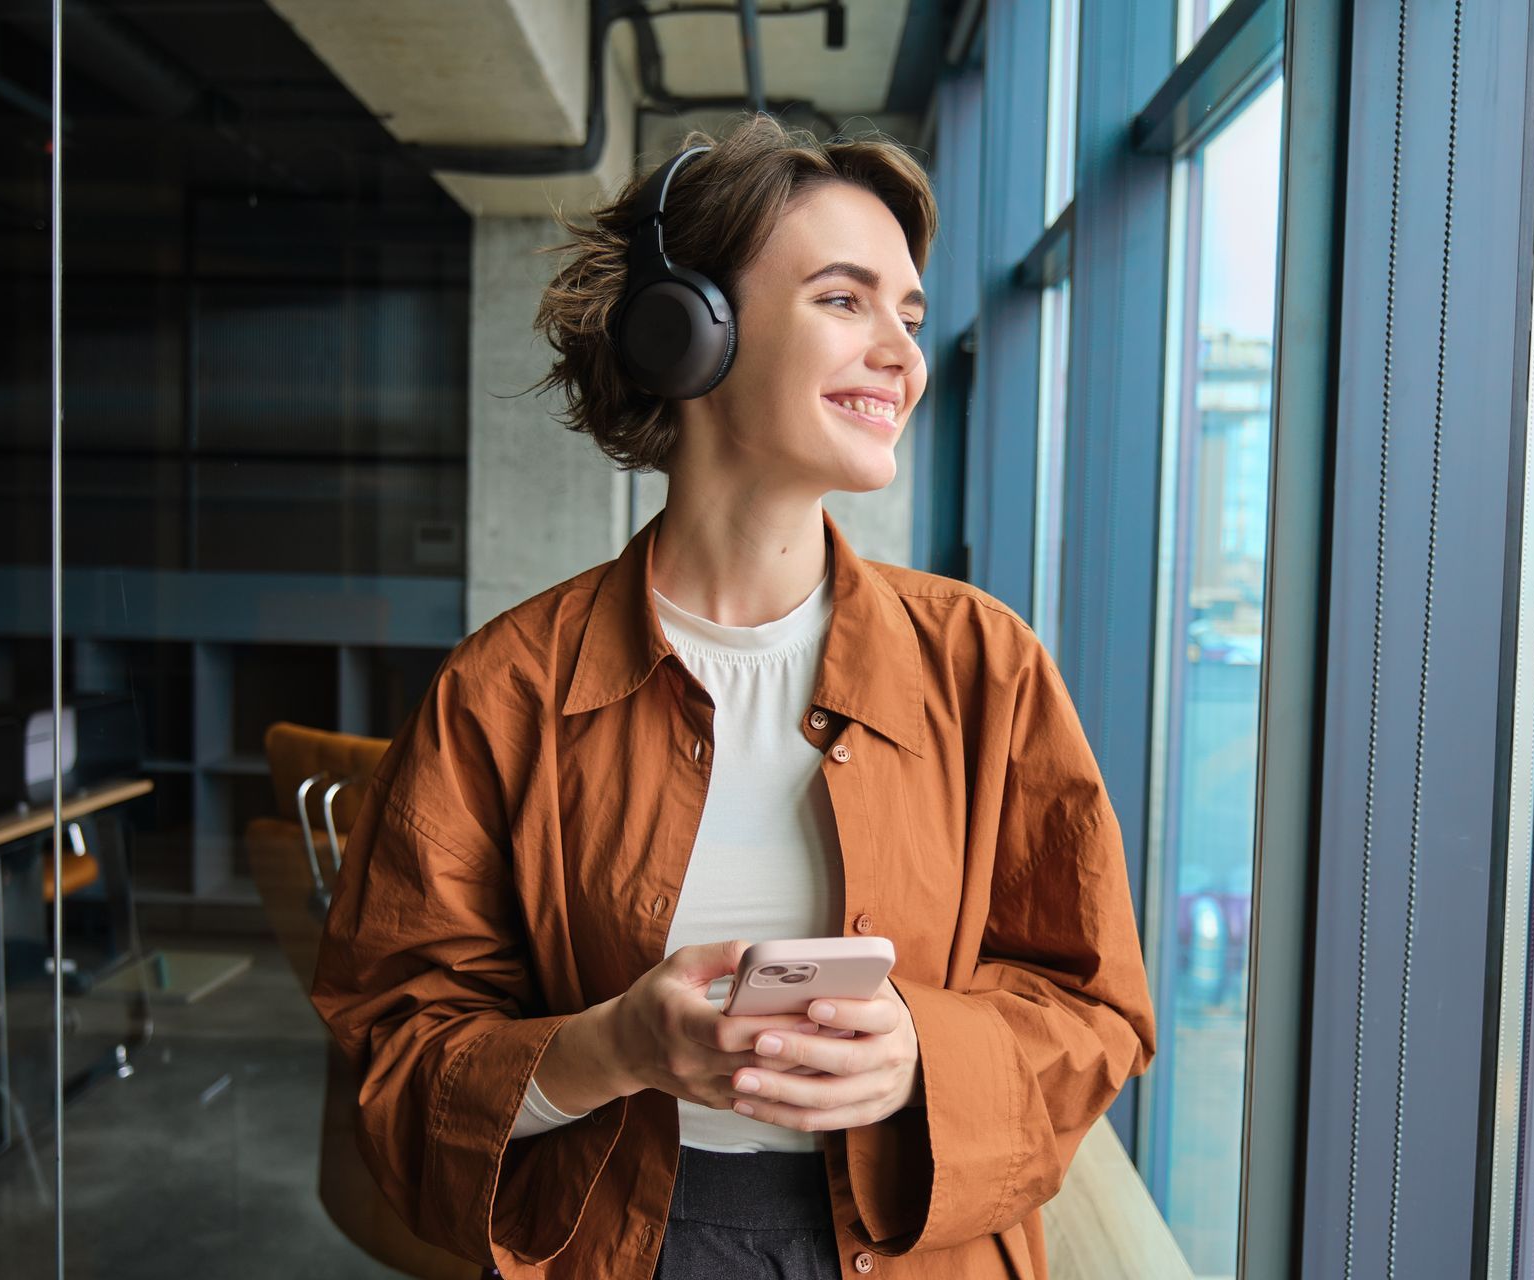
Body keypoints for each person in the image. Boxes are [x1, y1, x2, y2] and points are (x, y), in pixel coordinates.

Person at [308, 112, 1156, 1280]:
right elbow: (392, 1054)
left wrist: (922, 1055)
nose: (904, 355)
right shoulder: (502, 688)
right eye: (845, 300)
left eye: (908, 314)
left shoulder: (984, 664)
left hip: (918, 1237)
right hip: (620, 1239)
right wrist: (610, 1046)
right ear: (688, 333)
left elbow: (1096, 1008)